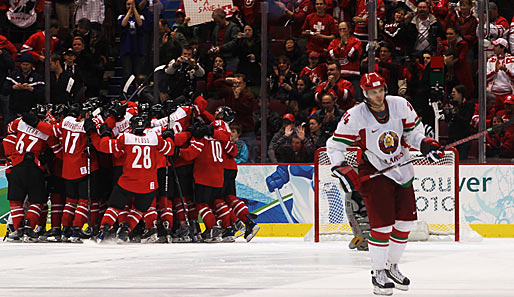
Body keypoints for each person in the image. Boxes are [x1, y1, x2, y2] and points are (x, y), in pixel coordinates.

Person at [326, 72, 444, 295]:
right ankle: (378, 272)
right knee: (381, 226)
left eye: (380, 90)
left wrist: (426, 144)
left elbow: (413, 134)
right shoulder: (355, 116)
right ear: (365, 94)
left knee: (405, 224)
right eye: (373, 92)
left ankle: (392, 267)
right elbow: (333, 145)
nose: (378, 96)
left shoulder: (400, 105)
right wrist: (341, 167)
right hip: (374, 171)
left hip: (402, 169)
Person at [89, 114, 176, 243]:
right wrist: (169, 137)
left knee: (114, 207)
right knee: (139, 210)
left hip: (128, 182)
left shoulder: (125, 137)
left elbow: (105, 146)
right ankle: (125, 231)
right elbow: (170, 150)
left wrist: (105, 134)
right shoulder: (154, 138)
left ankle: (103, 230)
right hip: (149, 184)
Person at [3, 53, 44, 121]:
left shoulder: (37, 77)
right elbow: (4, 90)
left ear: (31, 65)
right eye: (23, 64)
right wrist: (13, 87)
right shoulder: (13, 75)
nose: (25, 67)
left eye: (27, 65)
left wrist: (31, 89)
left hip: (31, 111)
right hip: (14, 111)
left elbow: (42, 94)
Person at [443, 85, 474, 160]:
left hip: (463, 138)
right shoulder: (453, 104)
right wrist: (447, 113)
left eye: (454, 93)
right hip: (452, 137)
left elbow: (465, 121)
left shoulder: (469, 105)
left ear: (460, 94)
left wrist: (454, 113)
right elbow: (448, 120)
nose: (452, 95)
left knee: (461, 161)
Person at [118, 0, 146, 82]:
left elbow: (140, 24)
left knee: (137, 74)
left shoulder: (141, 17)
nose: (130, 6)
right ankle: (125, 93)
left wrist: (134, 10)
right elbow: (123, 24)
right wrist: (130, 10)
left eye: (132, 4)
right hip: (126, 49)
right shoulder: (121, 17)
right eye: (128, 4)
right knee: (127, 73)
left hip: (138, 49)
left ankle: (136, 93)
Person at [486, 38, 514, 112]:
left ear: (503, 47)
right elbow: (485, 77)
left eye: (496, 46)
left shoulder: (512, 60)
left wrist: (506, 70)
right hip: (493, 94)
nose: (493, 48)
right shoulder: (491, 60)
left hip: (508, 94)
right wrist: (495, 71)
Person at [209, 8, 241, 73]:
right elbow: (213, 40)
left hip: (230, 59)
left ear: (224, 18)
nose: (217, 23)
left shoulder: (233, 27)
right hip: (219, 59)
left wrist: (220, 48)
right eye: (216, 21)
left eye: (218, 21)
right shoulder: (216, 27)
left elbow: (235, 42)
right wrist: (213, 47)